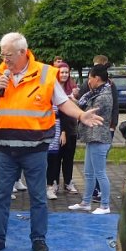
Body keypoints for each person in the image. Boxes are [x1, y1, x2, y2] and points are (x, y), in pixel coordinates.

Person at [0, 33, 102, 251]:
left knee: (38, 197)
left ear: (22, 52)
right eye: (2, 53)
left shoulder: (45, 74)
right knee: (1, 196)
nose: (4, 58)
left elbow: (64, 102)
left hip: (34, 149)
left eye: (7, 54)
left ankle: (38, 239)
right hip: (6, 149)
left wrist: (81, 115)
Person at [68, 64, 114, 214]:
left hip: (99, 137)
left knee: (100, 172)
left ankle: (105, 205)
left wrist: (71, 103)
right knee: (88, 173)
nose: (88, 81)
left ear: (97, 78)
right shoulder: (95, 93)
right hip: (92, 137)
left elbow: (85, 112)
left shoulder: (104, 96)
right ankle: (86, 202)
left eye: (90, 78)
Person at [55, 62, 79, 195]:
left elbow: (79, 106)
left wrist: (75, 99)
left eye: (66, 72)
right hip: (57, 127)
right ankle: (54, 182)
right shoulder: (53, 88)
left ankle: (68, 182)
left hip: (71, 127)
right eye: (61, 72)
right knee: (56, 157)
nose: (64, 75)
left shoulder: (73, 88)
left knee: (69, 157)